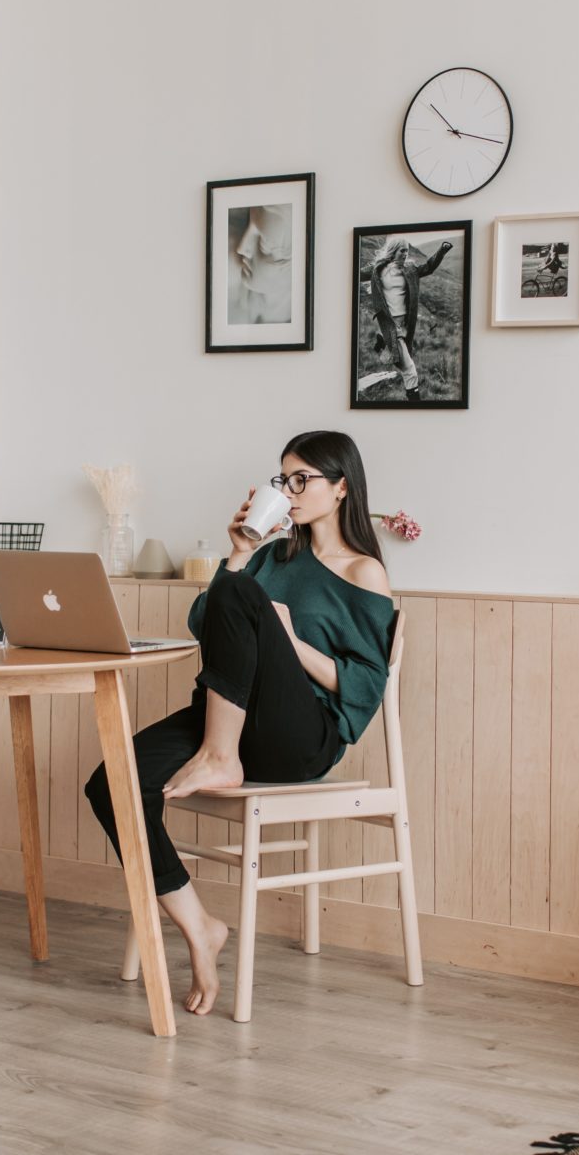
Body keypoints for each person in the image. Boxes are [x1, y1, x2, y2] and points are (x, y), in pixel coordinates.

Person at [83, 430, 395, 1017]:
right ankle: (199, 925)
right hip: (231, 715)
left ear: (342, 487)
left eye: (303, 480)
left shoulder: (363, 572)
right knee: (111, 783)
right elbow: (209, 624)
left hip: (301, 738)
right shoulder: (273, 559)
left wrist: (288, 639)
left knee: (241, 596)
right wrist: (241, 553)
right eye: (284, 480)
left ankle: (220, 755)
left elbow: (364, 685)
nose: (290, 491)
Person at [362, 235, 453, 402]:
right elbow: (355, 274)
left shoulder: (410, 270)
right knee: (409, 367)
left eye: (407, 250)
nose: (405, 254)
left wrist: (442, 250)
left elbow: (429, 267)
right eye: (402, 250)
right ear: (394, 251)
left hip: (406, 324)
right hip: (389, 323)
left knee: (398, 361)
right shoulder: (378, 269)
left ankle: (382, 347)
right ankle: (414, 400)